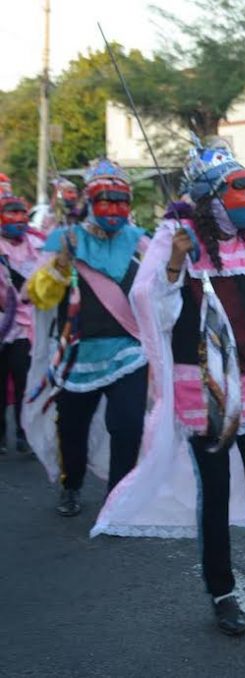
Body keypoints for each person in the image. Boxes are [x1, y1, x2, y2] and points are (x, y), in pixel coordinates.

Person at [92, 140, 245, 636]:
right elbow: (151, 308)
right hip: (201, 388)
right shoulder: (176, 236)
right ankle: (223, 594)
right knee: (217, 493)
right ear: (210, 197)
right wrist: (174, 265)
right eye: (237, 190)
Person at [23, 158, 149, 518]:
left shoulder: (141, 241)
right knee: (72, 428)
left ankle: (119, 497)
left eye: (122, 201)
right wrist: (61, 264)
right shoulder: (64, 238)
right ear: (90, 202)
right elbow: (38, 296)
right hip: (77, 353)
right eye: (106, 200)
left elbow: (162, 287)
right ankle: (71, 484)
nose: (115, 209)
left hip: (129, 350)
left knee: (128, 425)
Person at [0, 193, 41, 453]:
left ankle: (25, 433)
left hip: (25, 326)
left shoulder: (37, 245)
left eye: (21, 212)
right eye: (11, 213)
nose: (18, 218)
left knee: (24, 380)